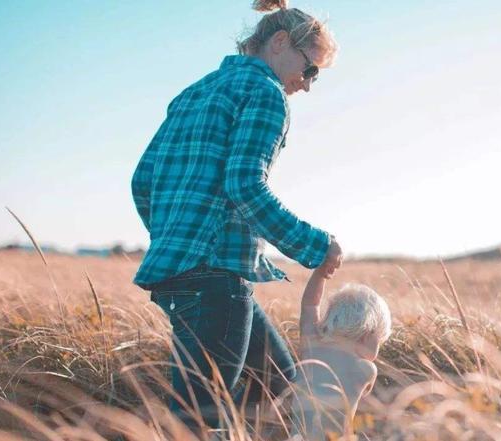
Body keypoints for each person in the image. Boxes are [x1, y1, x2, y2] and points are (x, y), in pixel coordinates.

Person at [129, 0, 341, 434]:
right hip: (215, 278)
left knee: (279, 381)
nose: (306, 85)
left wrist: (175, 239)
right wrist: (317, 246)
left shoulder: (195, 92)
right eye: (310, 70)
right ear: (280, 43)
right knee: (195, 422)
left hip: (182, 272)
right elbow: (244, 186)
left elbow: (142, 181)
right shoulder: (265, 93)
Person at [289, 265, 392, 440]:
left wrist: (320, 274)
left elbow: (310, 305)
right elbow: (367, 413)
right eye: (380, 341)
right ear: (368, 335)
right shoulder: (366, 369)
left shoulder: (312, 345)